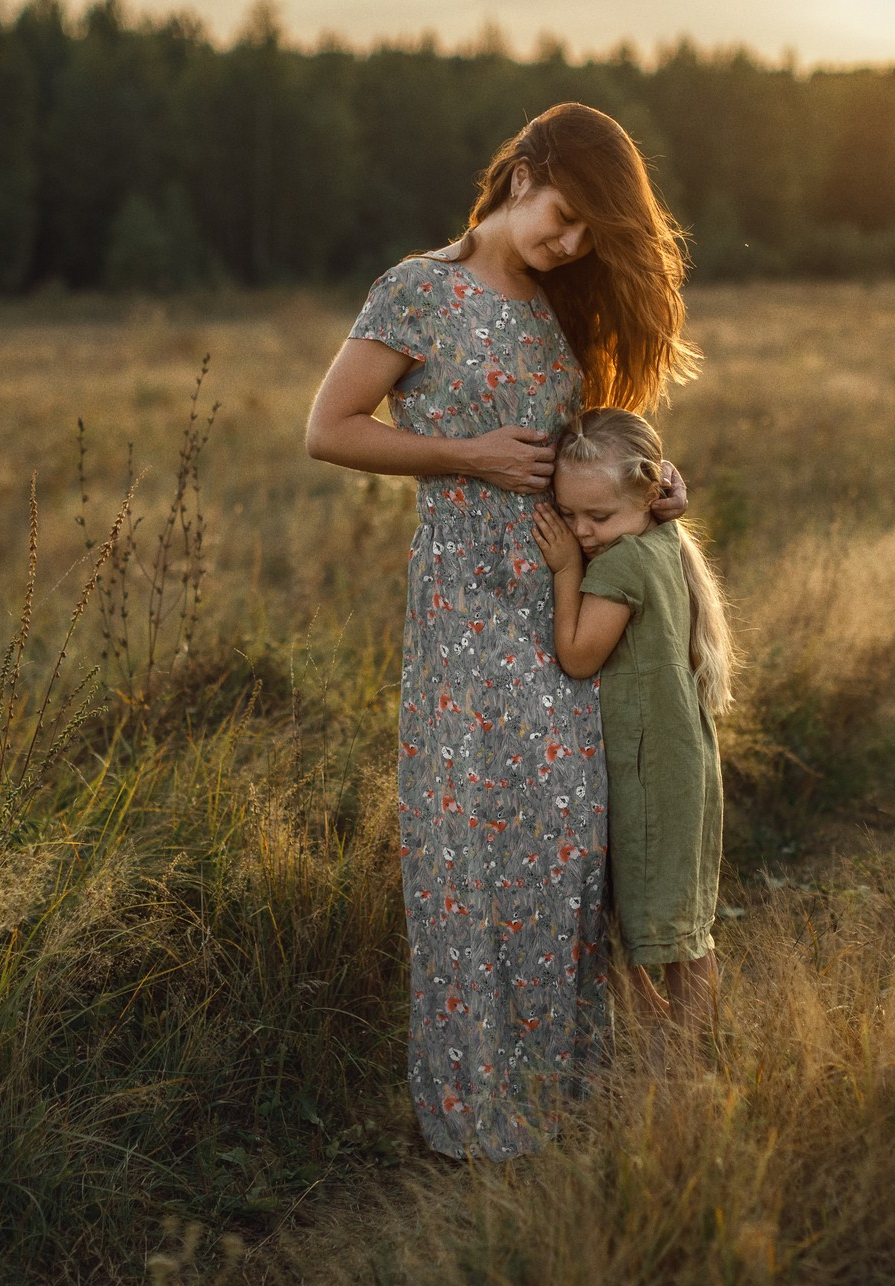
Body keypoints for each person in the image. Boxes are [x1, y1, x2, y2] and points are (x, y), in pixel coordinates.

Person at [303, 103, 700, 1161]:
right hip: (464, 609)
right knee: (470, 848)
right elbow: (327, 430)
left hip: (571, 606)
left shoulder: (564, 306)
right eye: (563, 218)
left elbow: (594, 439)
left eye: (586, 236)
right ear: (522, 172)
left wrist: (652, 478)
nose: (567, 245)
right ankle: (479, 1116)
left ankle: (569, 1096)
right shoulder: (418, 289)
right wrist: (465, 455)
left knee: (570, 841)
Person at [531, 409, 734, 1042]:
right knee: (679, 923)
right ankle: (678, 1045)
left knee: (662, 928)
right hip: (682, 755)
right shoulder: (663, 538)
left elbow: (578, 654)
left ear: (647, 499)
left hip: (653, 772)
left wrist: (566, 569)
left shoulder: (616, 567)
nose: (584, 531)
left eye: (599, 517)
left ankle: (686, 1061)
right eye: (569, 515)